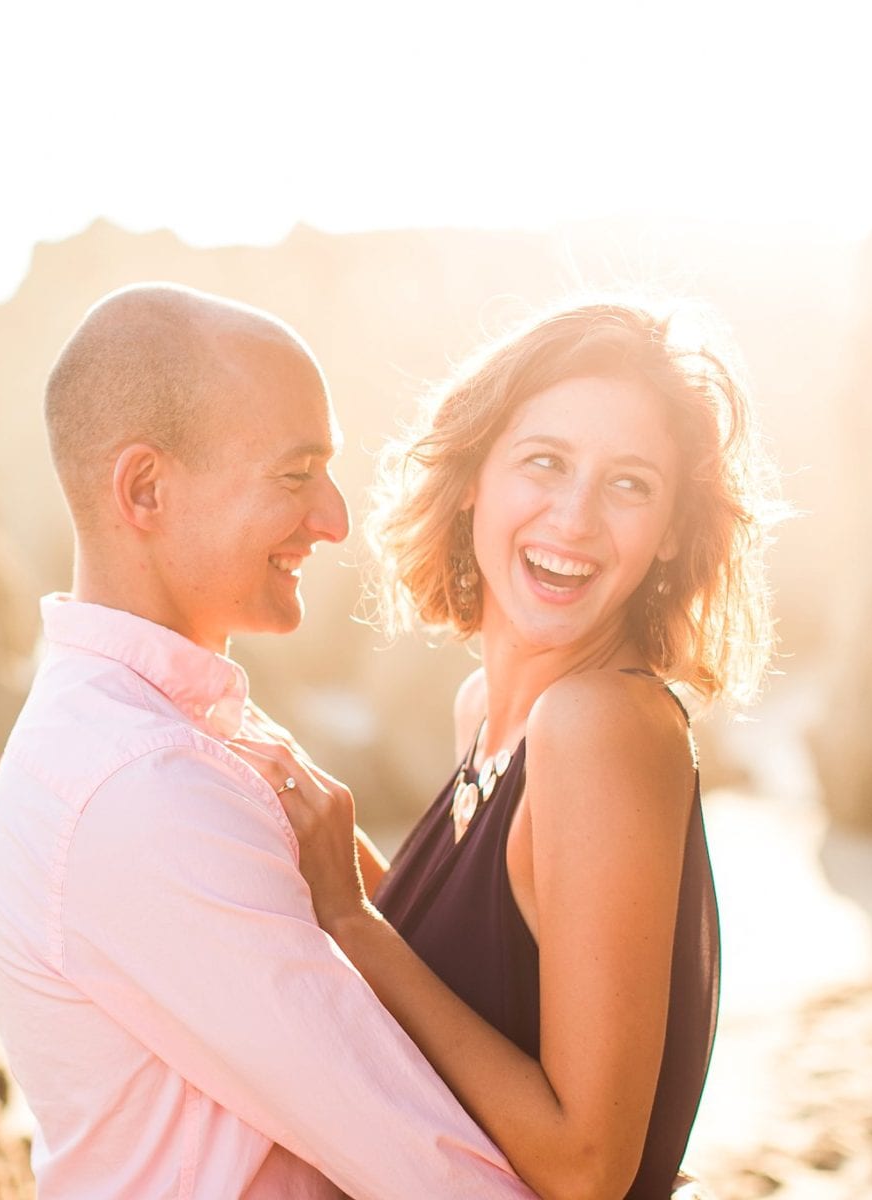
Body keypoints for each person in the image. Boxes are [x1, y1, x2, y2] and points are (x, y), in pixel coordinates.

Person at [0, 283, 536, 1198]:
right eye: (294, 473)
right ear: (145, 490)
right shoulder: (140, 785)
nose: (335, 519)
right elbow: (436, 1167)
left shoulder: (172, 729)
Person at [234, 301, 776, 1200]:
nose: (574, 518)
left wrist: (354, 921)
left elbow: (585, 1165)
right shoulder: (484, 711)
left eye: (630, 484)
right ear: (476, 475)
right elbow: (487, 983)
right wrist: (345, 867)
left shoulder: (597, 727)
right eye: (546, 463)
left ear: (674, 529)